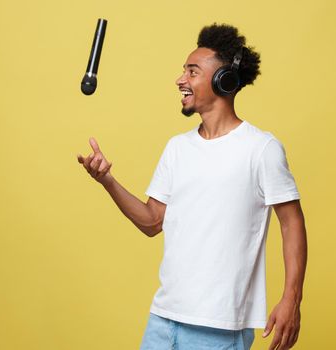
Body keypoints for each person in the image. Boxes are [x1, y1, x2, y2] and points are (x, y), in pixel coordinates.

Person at [77, 23, 307, 350]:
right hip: (163, 318)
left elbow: (291, 222)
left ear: (222, 80)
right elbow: (152, 221)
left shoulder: (262, 148)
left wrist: (291, 299)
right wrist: (107, 182)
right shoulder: (177, 148)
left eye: (192, 71)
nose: (180, 80)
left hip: (219, 327)